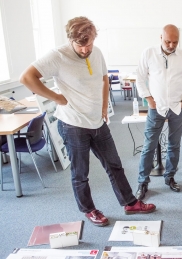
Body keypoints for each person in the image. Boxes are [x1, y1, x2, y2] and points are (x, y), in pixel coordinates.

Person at [19, 16, 156, 227]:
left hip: (97, 123)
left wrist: (103, 106)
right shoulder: (57, 56)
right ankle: (89, 210)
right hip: (73, 125)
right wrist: (56, 98)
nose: (85, 50)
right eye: (80, 46)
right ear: (71, 40)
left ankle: (129, 202)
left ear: (94, 38)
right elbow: (27, 77)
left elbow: (103, 78)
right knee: (80, 173)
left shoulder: (97, 52)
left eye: (89, 44)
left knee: (115, 165)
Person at [135, 24, 182, 200]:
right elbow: (139, 78)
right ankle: (143, 182)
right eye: (168, 41)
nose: (171, 45)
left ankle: (169, 177)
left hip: (177, 107)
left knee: (174, 145)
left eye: (175, 42)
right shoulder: (149, 53)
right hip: (157, 107)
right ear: (160, 38)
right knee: (149, 146)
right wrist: (149, 99)